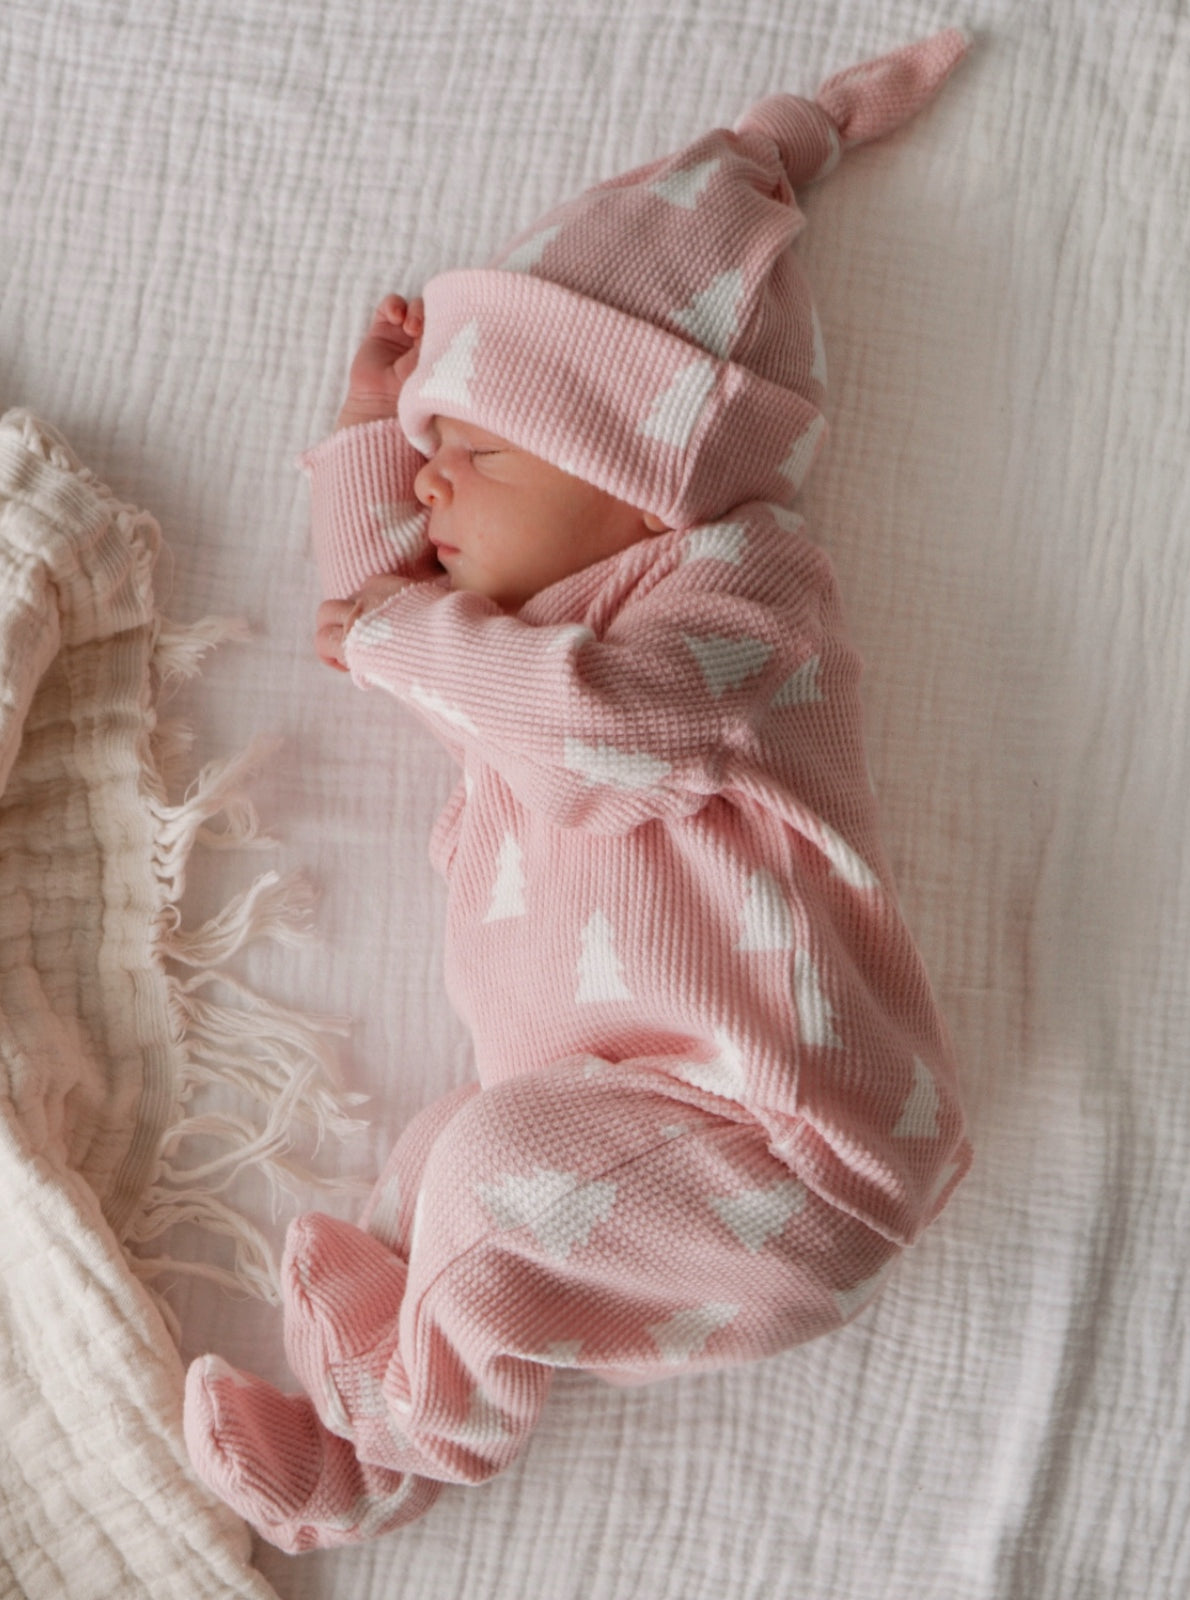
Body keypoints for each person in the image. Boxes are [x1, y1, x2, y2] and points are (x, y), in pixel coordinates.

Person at [184, 29, 973, 1552]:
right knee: (444, 1163)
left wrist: (415, 627)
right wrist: (368, 438)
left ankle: (405, 1427)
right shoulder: (513, 647)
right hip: (626, 1118)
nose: (427, 488)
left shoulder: (739, 600)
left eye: (464, 448)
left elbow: (601, 736)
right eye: (425, 459)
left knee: (477, 1171)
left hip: (790, 1149)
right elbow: (377, 635)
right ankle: (371, 1449)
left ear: (628, 464)